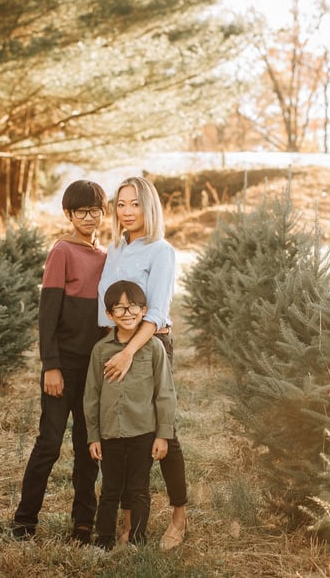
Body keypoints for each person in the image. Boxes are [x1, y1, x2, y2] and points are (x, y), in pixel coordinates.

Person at [11, 180, 108, 545]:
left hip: (93, 369)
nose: (89, 217)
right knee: (49, 443)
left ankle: (83, 522)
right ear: (68, 214)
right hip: (62, 366)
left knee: (88, 446)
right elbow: (47, 314)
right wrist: (50, 364)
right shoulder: (62, 252)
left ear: (103, 212)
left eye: (95, 210)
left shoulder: (105, 256)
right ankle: (24, 520)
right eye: (81, 211)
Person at [96, 175, 188, 550]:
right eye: (121, 204)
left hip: (147, 346)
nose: (127, 211)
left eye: (135, 203)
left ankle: (179, 515)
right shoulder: (115, 250)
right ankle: (130, 519)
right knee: (125, 432)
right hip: (114, 344)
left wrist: (129, 351)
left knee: (162, 431)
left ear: (149, 206)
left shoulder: (160, 251)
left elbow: (158, 311)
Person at [84, 280, 177, 549]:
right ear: (109, 314)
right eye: (120, 308)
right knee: (111, 490)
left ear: (144, 310)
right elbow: (92, 396)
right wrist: (93, 436)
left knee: (138, 489)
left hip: (143, 433)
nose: (127, 313)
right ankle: (103, 541)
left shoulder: (153, 348)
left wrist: (163, 435)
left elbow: (165, 393)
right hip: (110, 432)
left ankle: (136, 538)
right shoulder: (101, 350)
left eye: (133, 306)